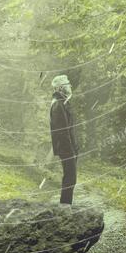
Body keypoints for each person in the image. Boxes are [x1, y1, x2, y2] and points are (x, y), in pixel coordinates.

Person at [49, 74, 78, 205]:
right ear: (60, 88)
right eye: (67, 84)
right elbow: (62, 132)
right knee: (70, 178)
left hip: (68, 148)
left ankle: (65, 207)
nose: (70, 86)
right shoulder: (58, 104)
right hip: (66, 148)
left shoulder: (62, 102)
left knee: (70, 178)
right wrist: (70, 150)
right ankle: (65, 208)